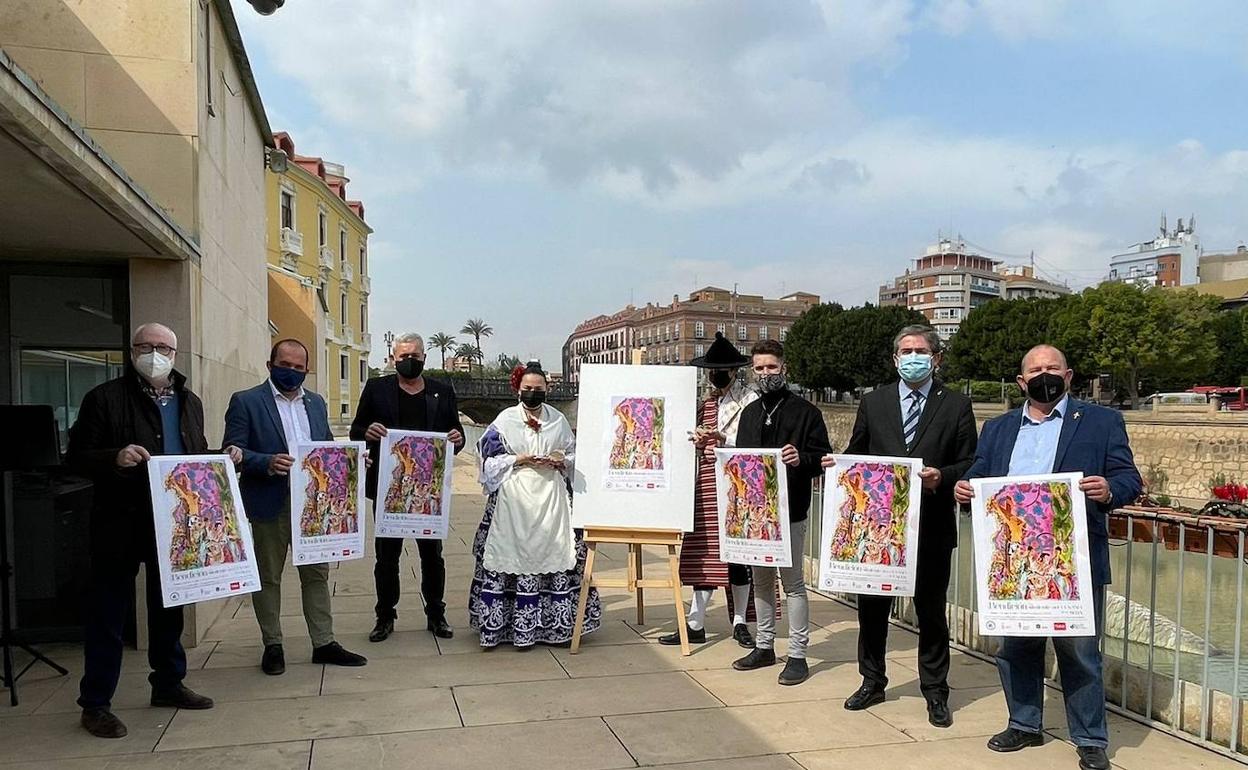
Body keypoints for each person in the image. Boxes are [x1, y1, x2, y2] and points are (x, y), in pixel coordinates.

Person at [955, 344, 1142, 770]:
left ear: (1069, 375)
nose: (1045, 374)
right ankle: (1024, 723)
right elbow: (978, 476)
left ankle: (1090, 738)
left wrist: (1109, 490)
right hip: (1011, 559)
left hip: (1074, 559)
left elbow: (1128, 476)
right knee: (1016, 647)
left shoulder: (1102, 421)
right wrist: (963, 489)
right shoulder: (999, 428)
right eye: (1035, 370)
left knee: (1079, 653)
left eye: (1052, 368)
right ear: (1021, 382)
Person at [67, 323, 238, 739]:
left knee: (169, 610)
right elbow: (76, 457)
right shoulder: (103, 399)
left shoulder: (189, 401)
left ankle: (168, 683)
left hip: (174, 525)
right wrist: (116, 456)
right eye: (146, 346)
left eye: (163, 347)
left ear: (176, 354)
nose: (154, 353)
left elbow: (193, 456)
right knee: (109, 613)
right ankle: (95, 703)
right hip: (119, 521)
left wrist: (224, 456)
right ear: (132, 351)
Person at [828, 324, 976, 728]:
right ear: (896, 359)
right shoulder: (873, 402)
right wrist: (837, 466)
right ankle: (872, 680)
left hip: (931, 527)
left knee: (931, 613)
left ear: (936, 358)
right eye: (906, 350)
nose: (914, 357)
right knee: (872, 611)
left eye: (921, 350)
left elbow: (969, 462)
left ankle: (935, 691)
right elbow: (857, 451)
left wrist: (941, 477)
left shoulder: (956, 405)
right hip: (879, 531)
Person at [223, 339, 368, 675]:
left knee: (317, 576)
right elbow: (232, 450)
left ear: (306, 369)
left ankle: (324, 642)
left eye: (297, 367)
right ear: (270, 363)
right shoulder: (246, 401)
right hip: (268, 502)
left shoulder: (315, 404)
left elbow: (327, 448)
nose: (290, 371)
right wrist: (266, 462)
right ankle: (273, 644)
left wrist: (353, 461)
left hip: (313, 507)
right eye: (284, 364)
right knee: (269, 576)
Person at [467, 362, 601, 648]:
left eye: (538, 389)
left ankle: (555, 626)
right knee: (508, 555)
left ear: (547, 390)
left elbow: (577, 455)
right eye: (527, 389)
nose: (532, 394)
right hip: (514, 498)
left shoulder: (558, 420)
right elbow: (487, 460)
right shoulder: (504, 421)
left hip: (551, 497)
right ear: (518, 389)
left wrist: (561, 460)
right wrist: (519, 459)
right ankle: (504, 626)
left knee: (557, 554)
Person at [351, 333, 465, 641]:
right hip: (390, 492)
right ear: (393, 359)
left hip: (429, 493)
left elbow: (458, 434)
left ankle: (436, 614)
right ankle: (385, 616)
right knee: (387, 558)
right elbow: (356, 431)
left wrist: (457, 439)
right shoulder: (377, 389)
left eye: (414, 356)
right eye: (402, 357)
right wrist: (368, 433)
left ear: (424, 358)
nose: (408, 361)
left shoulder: (441, 391)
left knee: (433, 557)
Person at [731, 339, 832, 685]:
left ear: (783, 368)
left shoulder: (807, 413)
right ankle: (764, 645)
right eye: (759, 368)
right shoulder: (750, 413)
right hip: (755, 514)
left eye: (771, 367)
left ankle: (799, 653)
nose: (765, 374)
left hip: (791, 511)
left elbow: (823, 459)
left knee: (792, 583)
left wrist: (800, 458)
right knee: (761, 580)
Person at [660, 332, 758, 647]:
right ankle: (695, 622)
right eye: (712, 370)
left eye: (722, 369)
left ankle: (740, 621)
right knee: (702, 555)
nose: (716, 375)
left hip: (739, 484)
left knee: (738, 557)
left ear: (734, 370)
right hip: (705, 483)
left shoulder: (750, 401)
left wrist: (721, 440)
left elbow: (756, 444)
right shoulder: (706, 404)